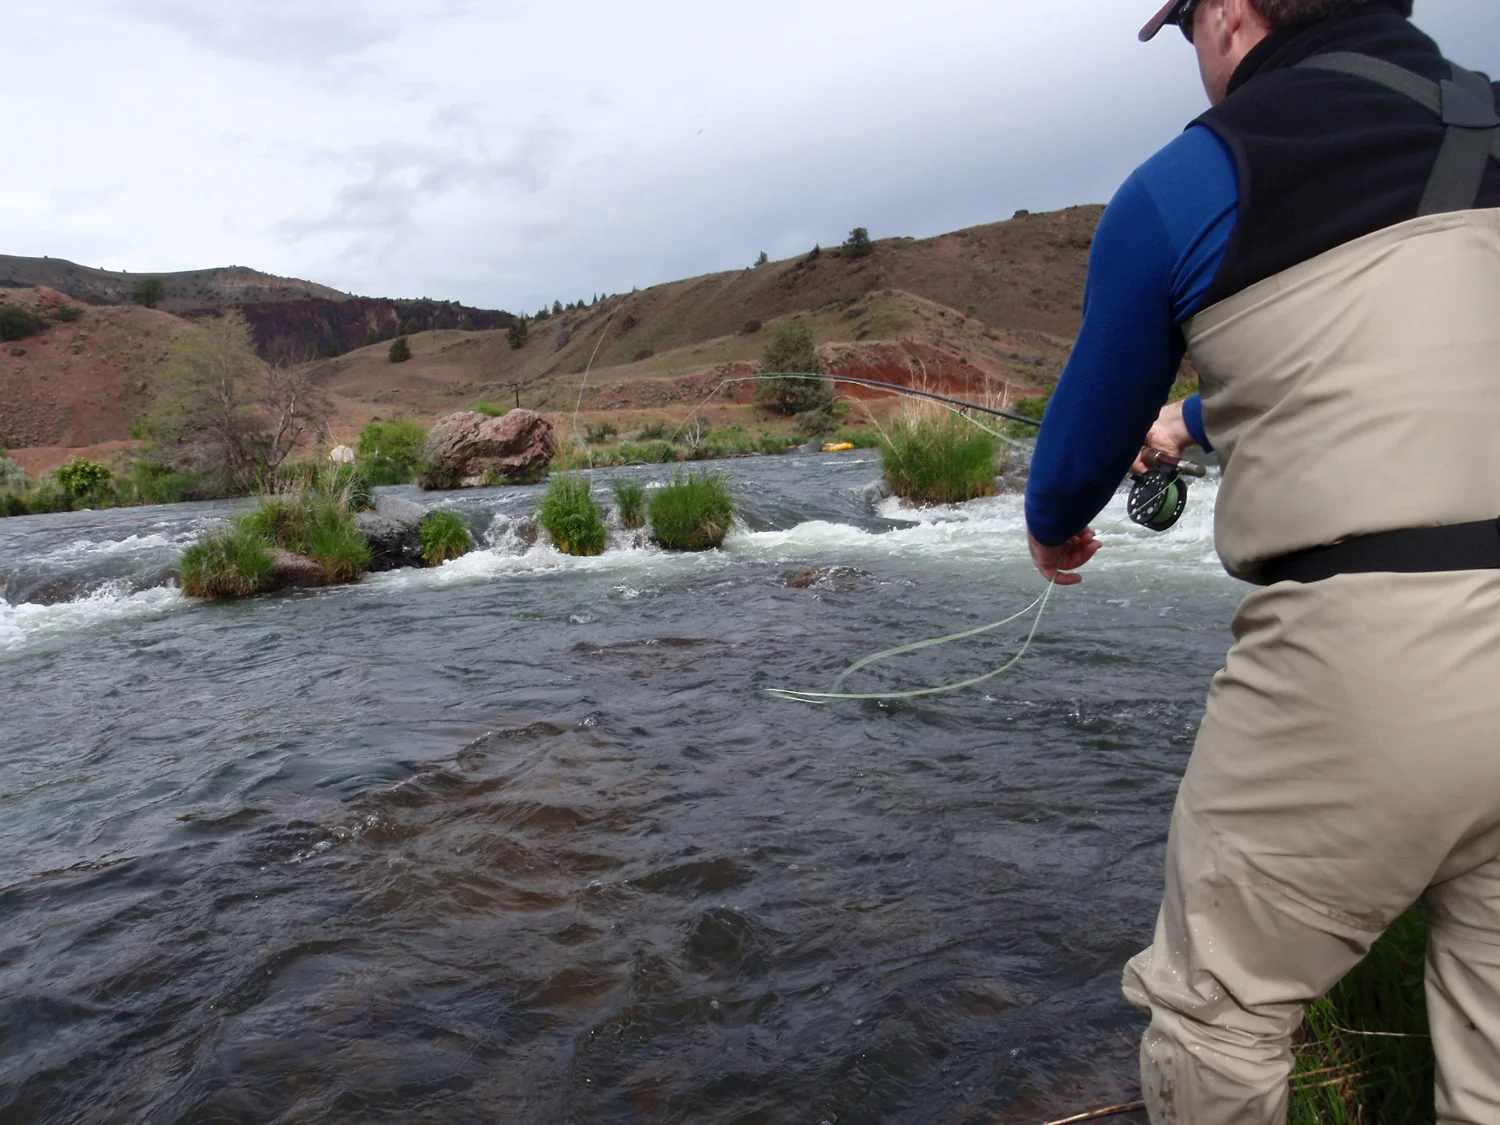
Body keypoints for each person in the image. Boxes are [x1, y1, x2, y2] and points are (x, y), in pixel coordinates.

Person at [1022, 0, 1500, 1120]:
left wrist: (1054, 531)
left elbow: (1076, 456)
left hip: (1375, 662)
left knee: (1216, 1012)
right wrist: (1200, 417)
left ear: (1232, 18)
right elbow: (1414, 353)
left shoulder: (1190, 180)